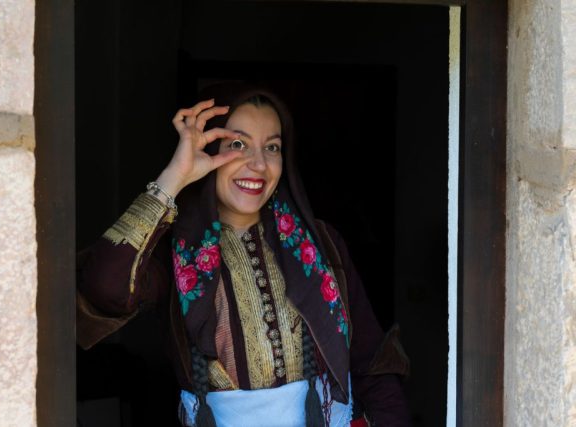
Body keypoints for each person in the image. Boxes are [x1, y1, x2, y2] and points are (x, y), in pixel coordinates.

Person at [76, 83, 410, 426]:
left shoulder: (322, 243)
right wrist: (174, 177)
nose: (258, 164)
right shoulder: (173, 253)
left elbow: (373, 361)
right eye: (238, 144)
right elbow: (105, 288)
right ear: (206, 150)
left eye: (272, 147)